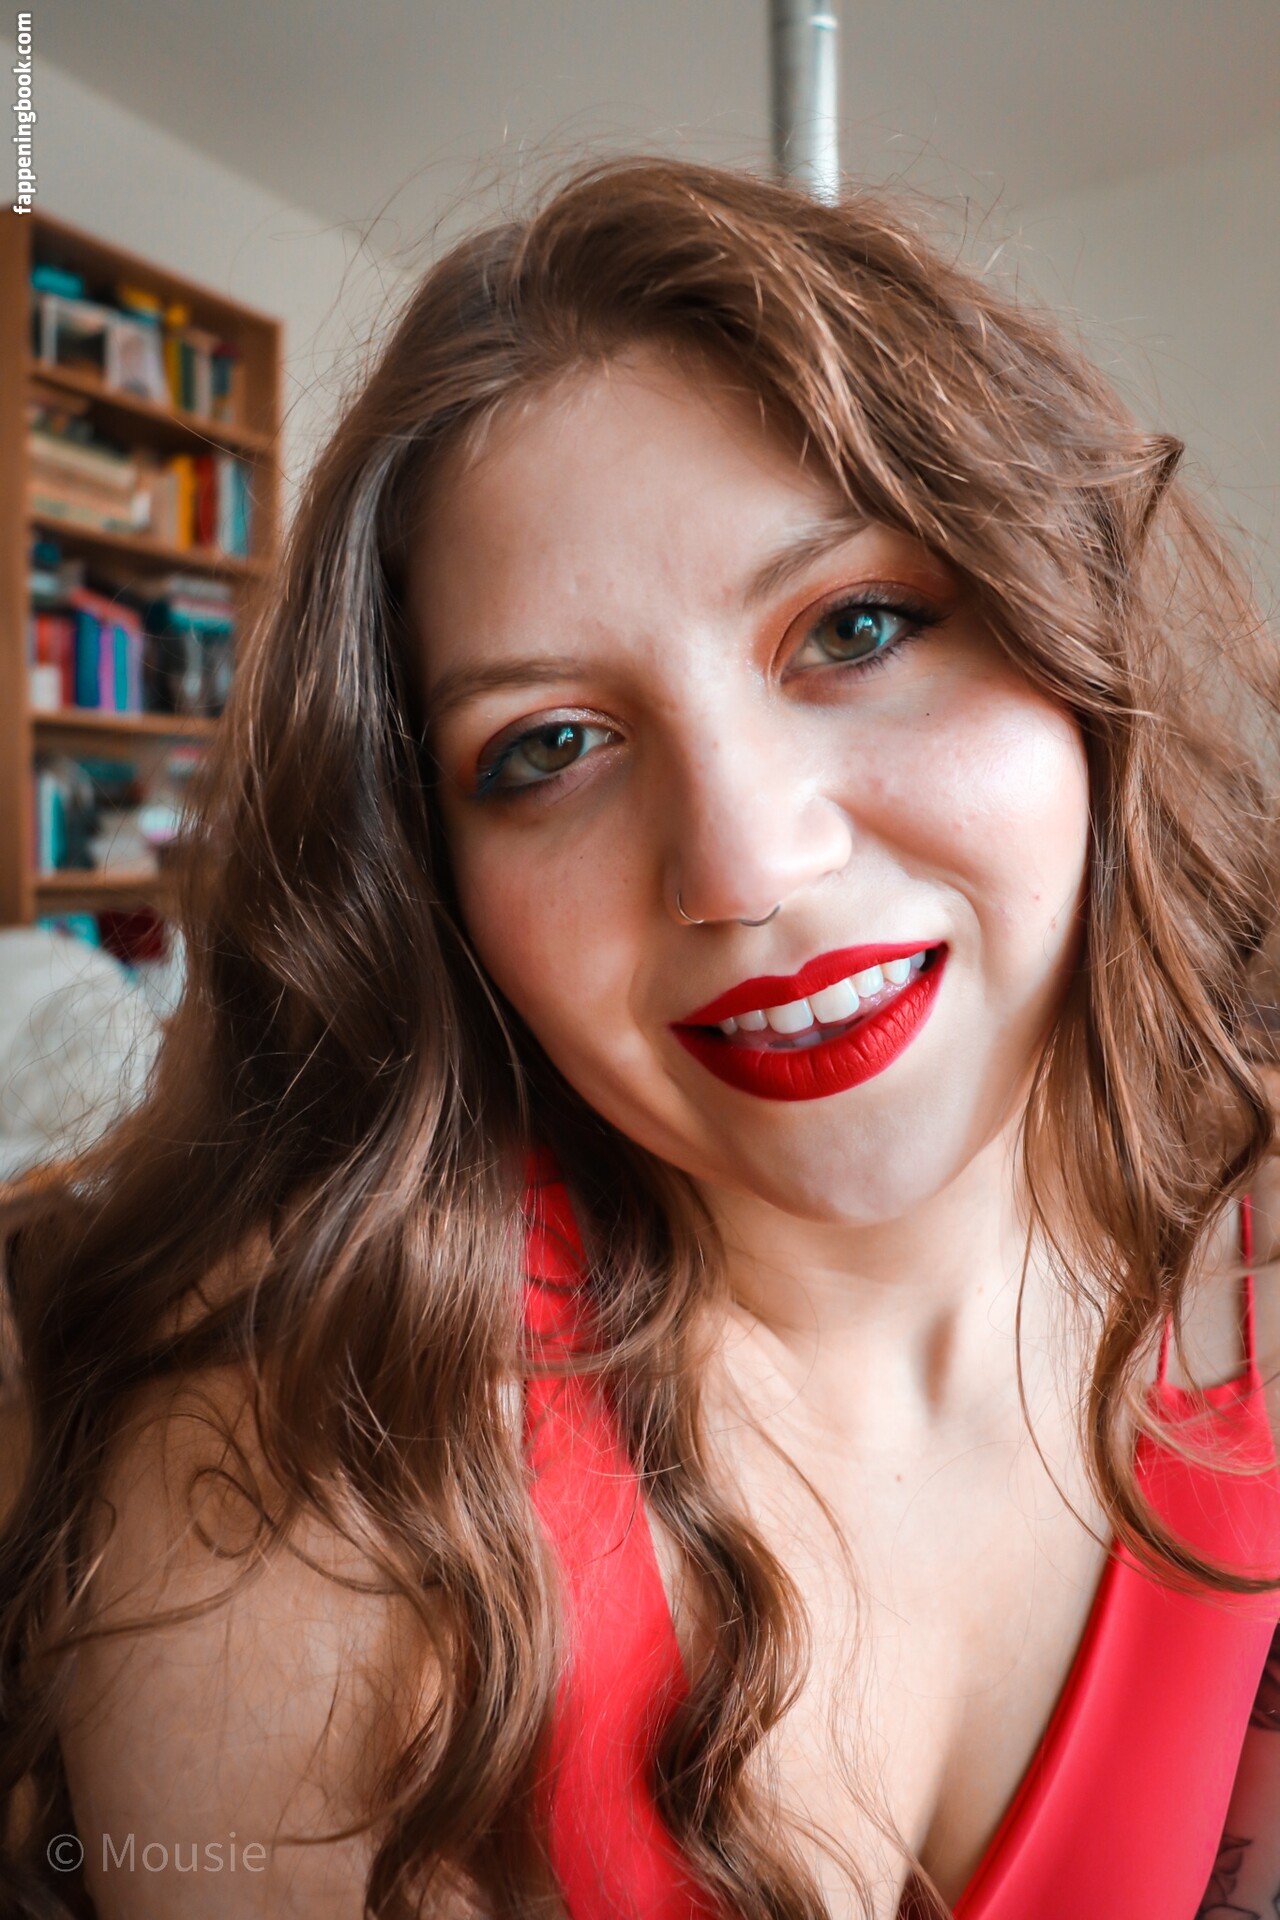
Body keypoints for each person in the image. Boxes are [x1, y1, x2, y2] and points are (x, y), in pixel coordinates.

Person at [2, 156, 1279, 1920]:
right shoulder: (296, 1486)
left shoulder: (1251, 1259)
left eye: (855, 628)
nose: (746, 866)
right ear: (431, 887)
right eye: (550, 747)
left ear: (1071, 636)